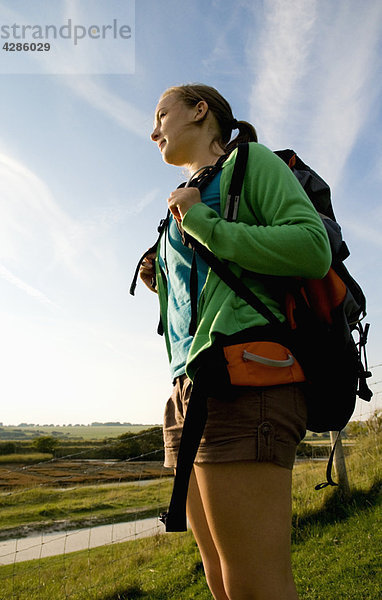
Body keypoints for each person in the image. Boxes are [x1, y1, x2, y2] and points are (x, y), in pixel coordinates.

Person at [139, 84, 331, 600]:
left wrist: (199, 220)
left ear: (201, 112)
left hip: (247, 376)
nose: (152, 130)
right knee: (220, 579)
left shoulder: (251, 163)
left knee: (255, 585)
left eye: (162, 115)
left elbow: (312, 249)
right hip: (189, 389)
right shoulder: (186, 196)